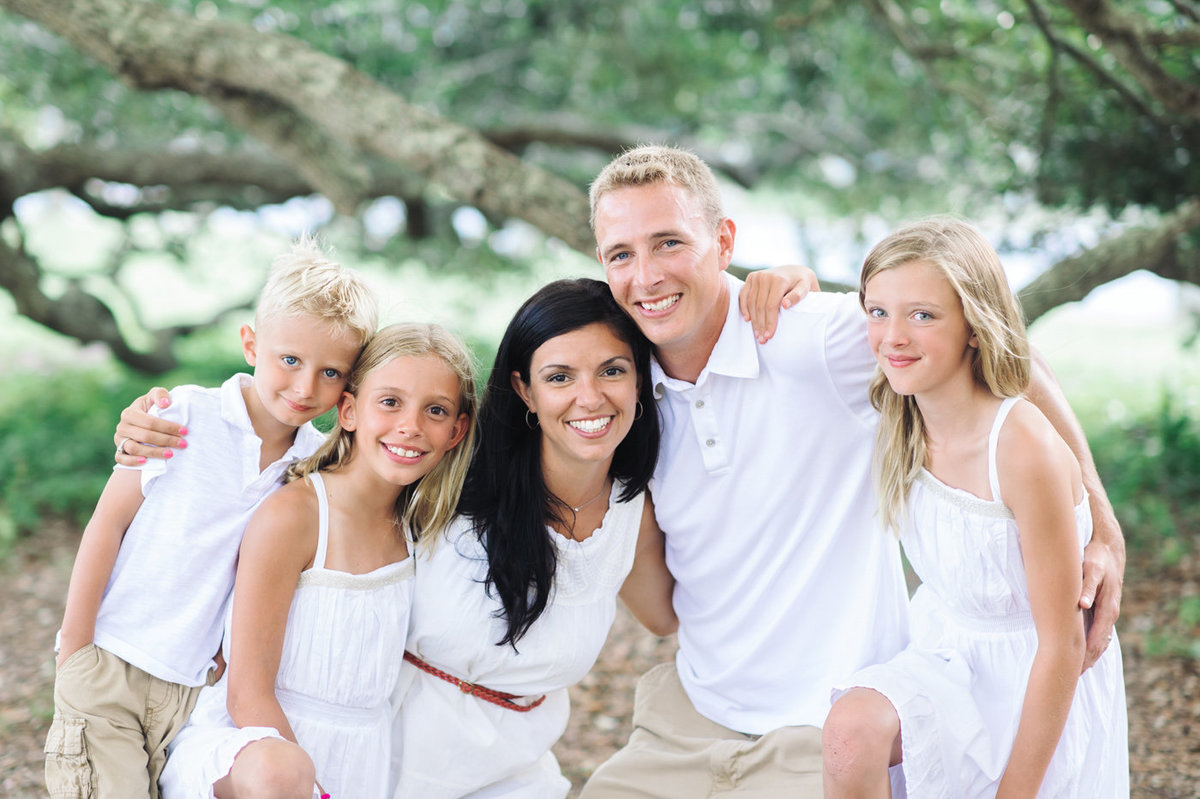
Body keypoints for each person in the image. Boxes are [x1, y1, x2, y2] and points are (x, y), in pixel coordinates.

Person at [579, 145, 1125, 797]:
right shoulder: (614, 386)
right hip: (692, 716)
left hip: (825, 723)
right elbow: (659, 608)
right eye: (620, 253)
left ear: (723, 241)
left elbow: (1010, 357)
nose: (646, 276)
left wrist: (1102, 527)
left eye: (668, 242)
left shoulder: (802, 336)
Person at [45, 239, 375, 798]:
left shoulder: (312, 464)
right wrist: (76, 648)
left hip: (194, 692)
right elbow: (108, 524)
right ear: (251, 344)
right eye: (289, 360)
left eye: (330, 372)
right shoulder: (181, 416)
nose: (304, 387)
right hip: (111, 663)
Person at [821, 217, 1128, 797]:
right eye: (877, 312)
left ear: (974, 326)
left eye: (924, 315)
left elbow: (1061, 645)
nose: (892, 337)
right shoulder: (902, 404)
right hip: (947, 653)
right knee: (848, 733)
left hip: (1039, 672)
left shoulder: (1021, 446)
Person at [160, 323, 476, 799]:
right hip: (257, 748)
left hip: (362, 753)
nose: (411, 426)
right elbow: (246, 694)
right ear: (348, 410)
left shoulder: (422, 527)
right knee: (279, 774)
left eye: (435, 410)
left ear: (456, 432)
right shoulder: (297, 514)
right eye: (389, 402)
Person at [390, 278, 675, 798]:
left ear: (640, 380)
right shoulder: (448, 480)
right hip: (387, 759)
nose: (589, 398)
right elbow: (319, 472)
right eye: (560, 376)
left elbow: (668, 616)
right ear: (526, 390)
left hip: (516, 775)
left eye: (612, 370)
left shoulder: (633, 508)